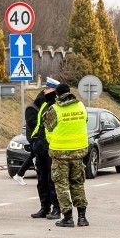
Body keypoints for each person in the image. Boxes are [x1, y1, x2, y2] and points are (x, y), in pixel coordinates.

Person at [43, 83, 89, 227]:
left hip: (60, 154)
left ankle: (68, 217)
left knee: (61, 186)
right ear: (70, 93)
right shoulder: (81, 107)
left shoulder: (55, 109)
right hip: (78, 153)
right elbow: (85, 121)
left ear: (57, 95)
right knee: (78, 184)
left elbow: (48, 127)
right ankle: (82, 218)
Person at [27, 77, 61, 221]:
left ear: (53, 90)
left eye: (47, 88)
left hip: (51, 148)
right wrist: (34, 141)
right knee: (41, 180)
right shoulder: (45, 104)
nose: (44, 90)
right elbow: (39, 126)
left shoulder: (57, 106)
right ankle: (44, 207)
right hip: (41, 148)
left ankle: (56, 209)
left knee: (52, 180)